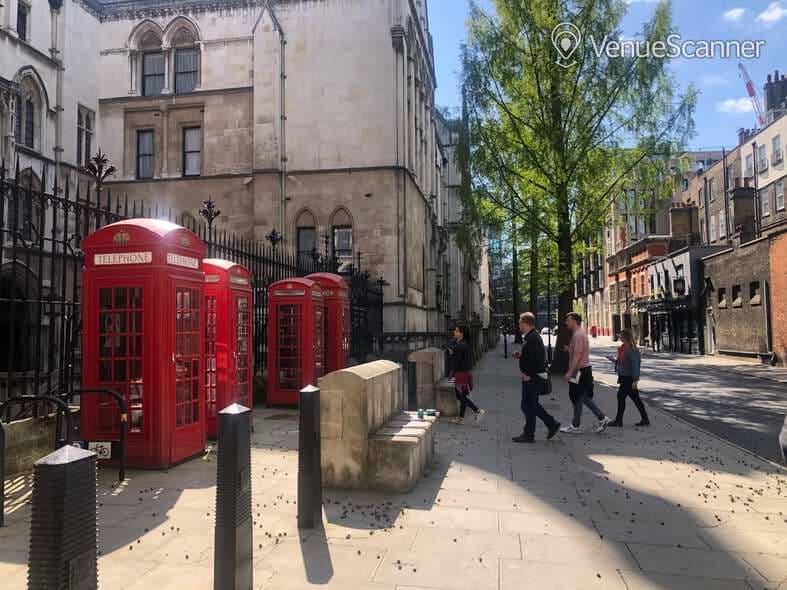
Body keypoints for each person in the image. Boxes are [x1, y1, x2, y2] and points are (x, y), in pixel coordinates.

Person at [511, 312, 560, 443]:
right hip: (534, 376)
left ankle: (529, 434)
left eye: (520, 322)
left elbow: (537, 362)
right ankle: (551, 423)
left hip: (533, 378)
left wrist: (529, 375)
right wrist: (521, 356)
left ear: (526, 323)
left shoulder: (532, 338)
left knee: (529, 406)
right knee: (528, 405)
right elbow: (533, 357)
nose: (519, 324)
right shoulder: (531, 336)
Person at [561, 312, 611, 434]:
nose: (566, 322)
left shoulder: (577, 335)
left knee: (578, 396)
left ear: (574, 321)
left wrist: (569, 372)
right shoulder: (581, 334)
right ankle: (596, 419)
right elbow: (579, 351)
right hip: (583, 370)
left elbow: (578, 355)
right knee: (581, 397)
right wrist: (570, 349)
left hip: (579, 371)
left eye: (568, 320)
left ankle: (580, 424)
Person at [608, 329, 650, 427]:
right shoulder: (623, 349)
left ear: (625, 337)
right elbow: (623, 362)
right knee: (636, 399)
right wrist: (614, 361)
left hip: (629, 378)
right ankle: (645, 419)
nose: (620, 337)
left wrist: (635, 380)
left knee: (621, 397)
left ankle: (619, 421)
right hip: (624, 377)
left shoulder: (632, 350)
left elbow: (635, 366)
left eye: (621, 336)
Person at [450, 325, 485, 425]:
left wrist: (452, 354)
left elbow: (458, 360)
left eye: (457, 331)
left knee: (459, 396)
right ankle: (460, 418)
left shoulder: (461, 345)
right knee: (463, 396)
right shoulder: (464, 344)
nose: (454, 332)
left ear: (462, 333)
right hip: (465, 373)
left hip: (461, 374)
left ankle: (477, 411)